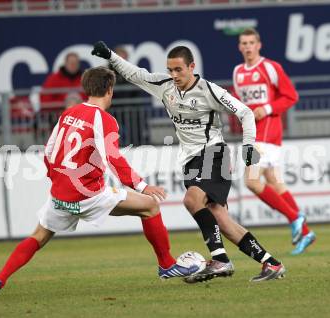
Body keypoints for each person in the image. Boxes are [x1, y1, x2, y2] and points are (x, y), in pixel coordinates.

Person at [0, 67, 200, 297]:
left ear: (86, 88)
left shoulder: (69, 113)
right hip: (89, 195)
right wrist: (143, 186)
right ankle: (166, 265)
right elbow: (113, 158)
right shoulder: (105, 120)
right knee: (150, 206)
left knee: (38, 237)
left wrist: (57, 179)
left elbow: (49, 150)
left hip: (60, 196)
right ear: (110, 90)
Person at [92, 41, 286, 283]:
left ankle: (220, 261)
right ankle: (271, 263)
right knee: (221, 219)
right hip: (190, 160)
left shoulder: (209, 90)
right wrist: (110, 55)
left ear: (192, 67)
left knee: (192, 199)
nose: (173, 75)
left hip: (214, 153)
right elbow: (135, 74)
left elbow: (245, 113)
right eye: (170, 70)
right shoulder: (165, 87)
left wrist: (248, 151)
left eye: (178, 70)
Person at [231, 28, 316, 255]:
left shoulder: (270, 67)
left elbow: (291, 96)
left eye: (251, 42)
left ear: (259, 45)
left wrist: (267, 108)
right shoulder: (238, 72)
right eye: (243, 43)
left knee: (251, 180)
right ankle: (305, 230)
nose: (248, 46)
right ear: (240, 47)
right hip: (253, 132)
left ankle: (295, 217)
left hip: (268, 131)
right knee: (275, 183)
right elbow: (242, 104)